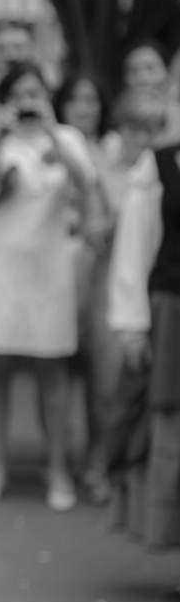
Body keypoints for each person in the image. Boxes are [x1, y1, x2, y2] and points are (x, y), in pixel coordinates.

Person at [0, 62, 99, 511]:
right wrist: (0, 136)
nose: (27, 102)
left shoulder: (68, 139)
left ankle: (58, 470)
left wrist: (54, 133)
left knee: (52, 368)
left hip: (49, 263)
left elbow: (86, 183)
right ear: (5, 100)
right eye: (19, 94)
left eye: (35, 93)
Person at [107, 88, 180, 556]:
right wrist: (132, 325)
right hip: (173, 311)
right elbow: (134, 246)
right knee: (171, 428)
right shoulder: (159, 165)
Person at [54, 71, 121, 503]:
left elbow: (118, 212)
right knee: (60, 371)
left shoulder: (111, 151)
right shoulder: (49, 148)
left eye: (91, 100)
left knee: (103, 376)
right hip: (57, 271)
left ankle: (100, 462)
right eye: (75, 100)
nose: (84, 108)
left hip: (101, 272)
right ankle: (70, 459)